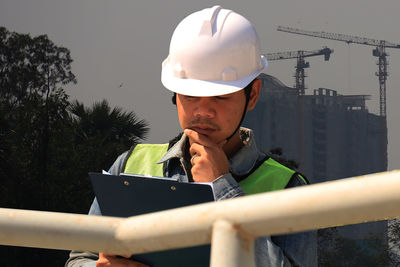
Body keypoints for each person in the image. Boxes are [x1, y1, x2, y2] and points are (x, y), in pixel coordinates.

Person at [66, 5, 317, 267]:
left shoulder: (287, 188)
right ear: (174, 94)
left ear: (252, 95)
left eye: (220, 97)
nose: (203, 111)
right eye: (190, 95)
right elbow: (80, 258)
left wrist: (222, 188)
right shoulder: (130, 165)